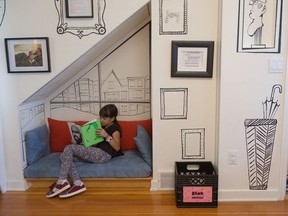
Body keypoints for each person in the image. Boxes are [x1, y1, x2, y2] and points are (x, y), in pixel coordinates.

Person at [46, 104, 122, 198]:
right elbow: (92, 145)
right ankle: (77, 183)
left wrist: (106, 136)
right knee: (64, 155)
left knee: (69, 148)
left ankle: (61, 181)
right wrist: (78, 142)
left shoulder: (115, 128)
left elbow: (117, 147)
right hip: (95, 152)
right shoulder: (101, 127)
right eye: (101, 117)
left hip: (103, 155)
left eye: (104, 118)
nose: (101, 120)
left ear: (112, 118)